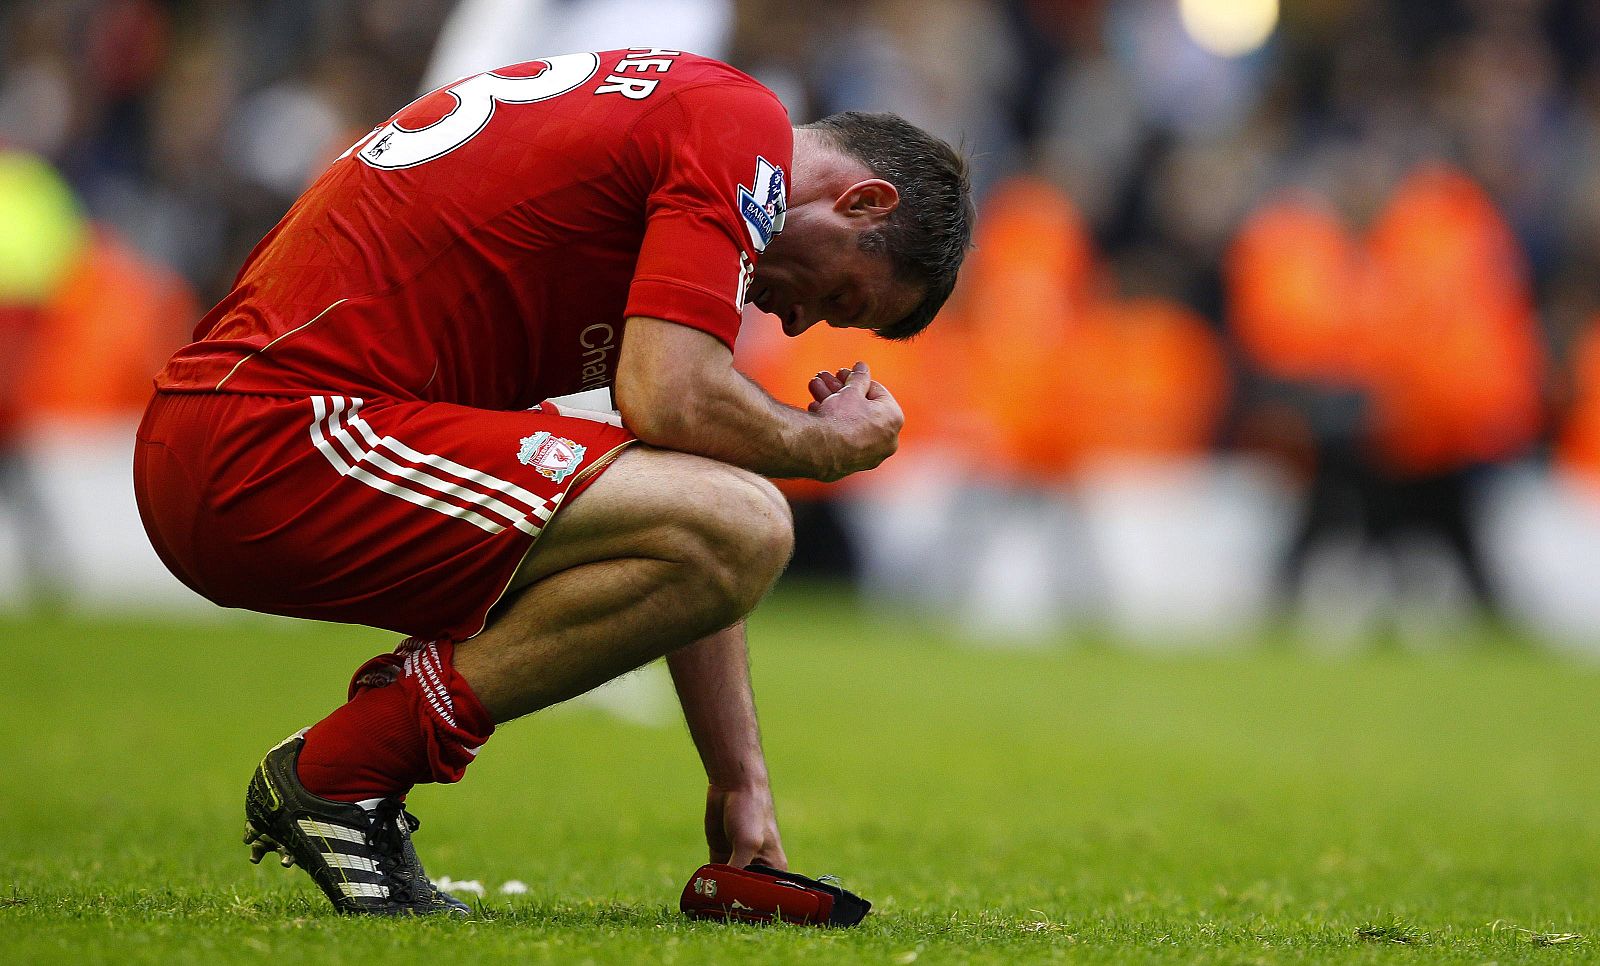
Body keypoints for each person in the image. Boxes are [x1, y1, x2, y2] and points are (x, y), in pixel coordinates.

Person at [132, 48, 972, 916]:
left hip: (252, 433)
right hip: (275, 435)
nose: (797, 323)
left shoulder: (665, 153)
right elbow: (673, 402)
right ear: (863, 201)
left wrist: (738, 780)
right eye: (839, 299)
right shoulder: (742, 126)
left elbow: (682, 484)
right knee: (748, 522)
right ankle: (342, 773)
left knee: (723, 524)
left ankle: (350, 768)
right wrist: (823, 447)